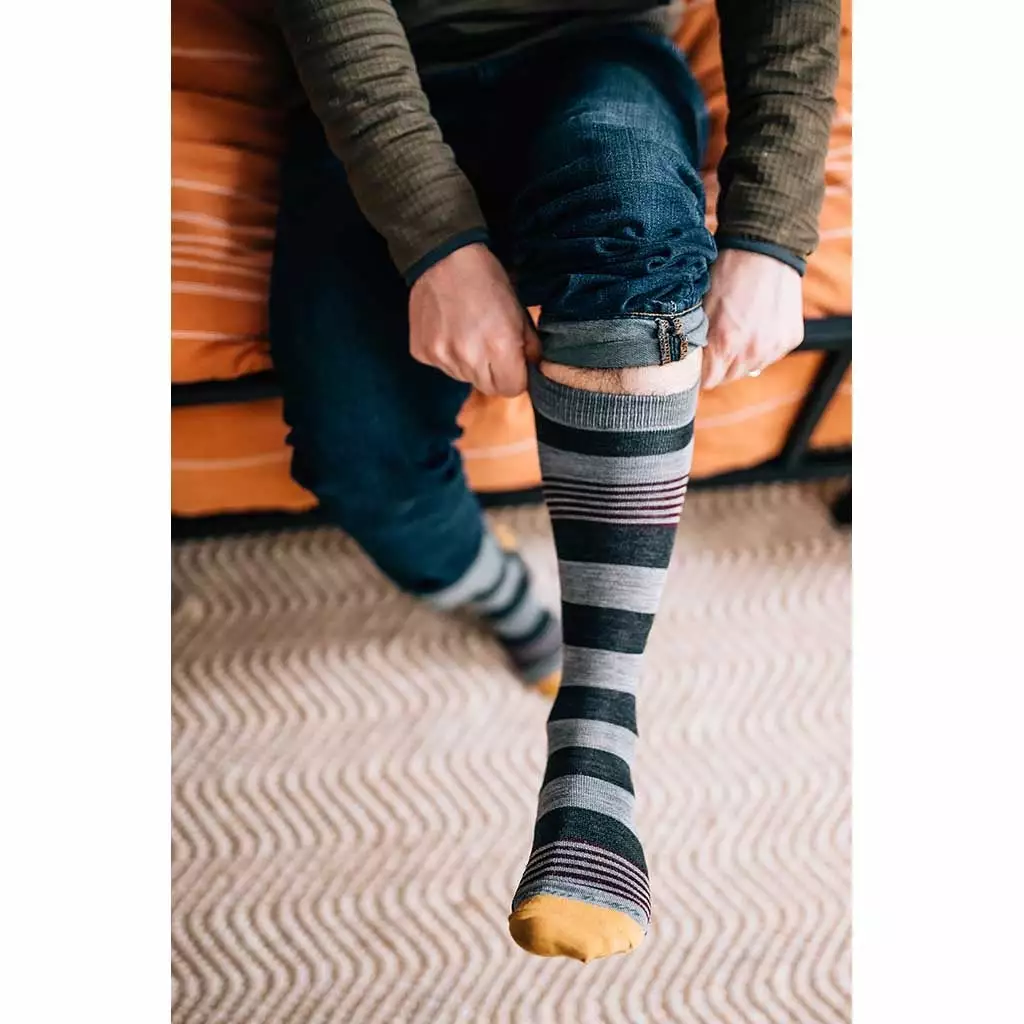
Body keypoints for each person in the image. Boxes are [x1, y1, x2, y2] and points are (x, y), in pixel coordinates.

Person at [269, 0, 840, 963]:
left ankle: (596, 721)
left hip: (601, 50)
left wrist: (772, 231)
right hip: (382, 73)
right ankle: (500, 592)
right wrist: (438, 241)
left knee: (636, 237)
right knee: (358, 459)